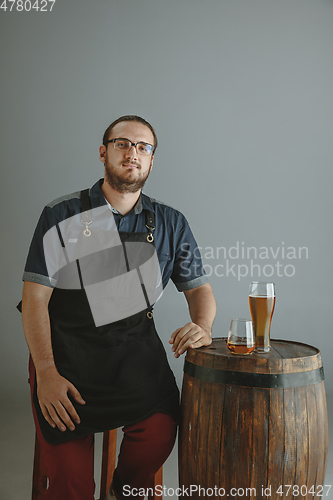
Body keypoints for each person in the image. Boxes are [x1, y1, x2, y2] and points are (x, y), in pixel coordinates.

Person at [21, 115, 216, 500]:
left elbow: (200, 290)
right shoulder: (61, 214)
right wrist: (45, 372)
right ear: (103, 152)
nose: (133, 153)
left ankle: (124, 488)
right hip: (65, 358)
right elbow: (34, 298)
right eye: (122, 143)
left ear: (152, 160)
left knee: (160, 432)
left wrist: (203, 325)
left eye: (144, 147)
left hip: (134, 354)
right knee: (70, 488)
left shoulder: (170, 222)